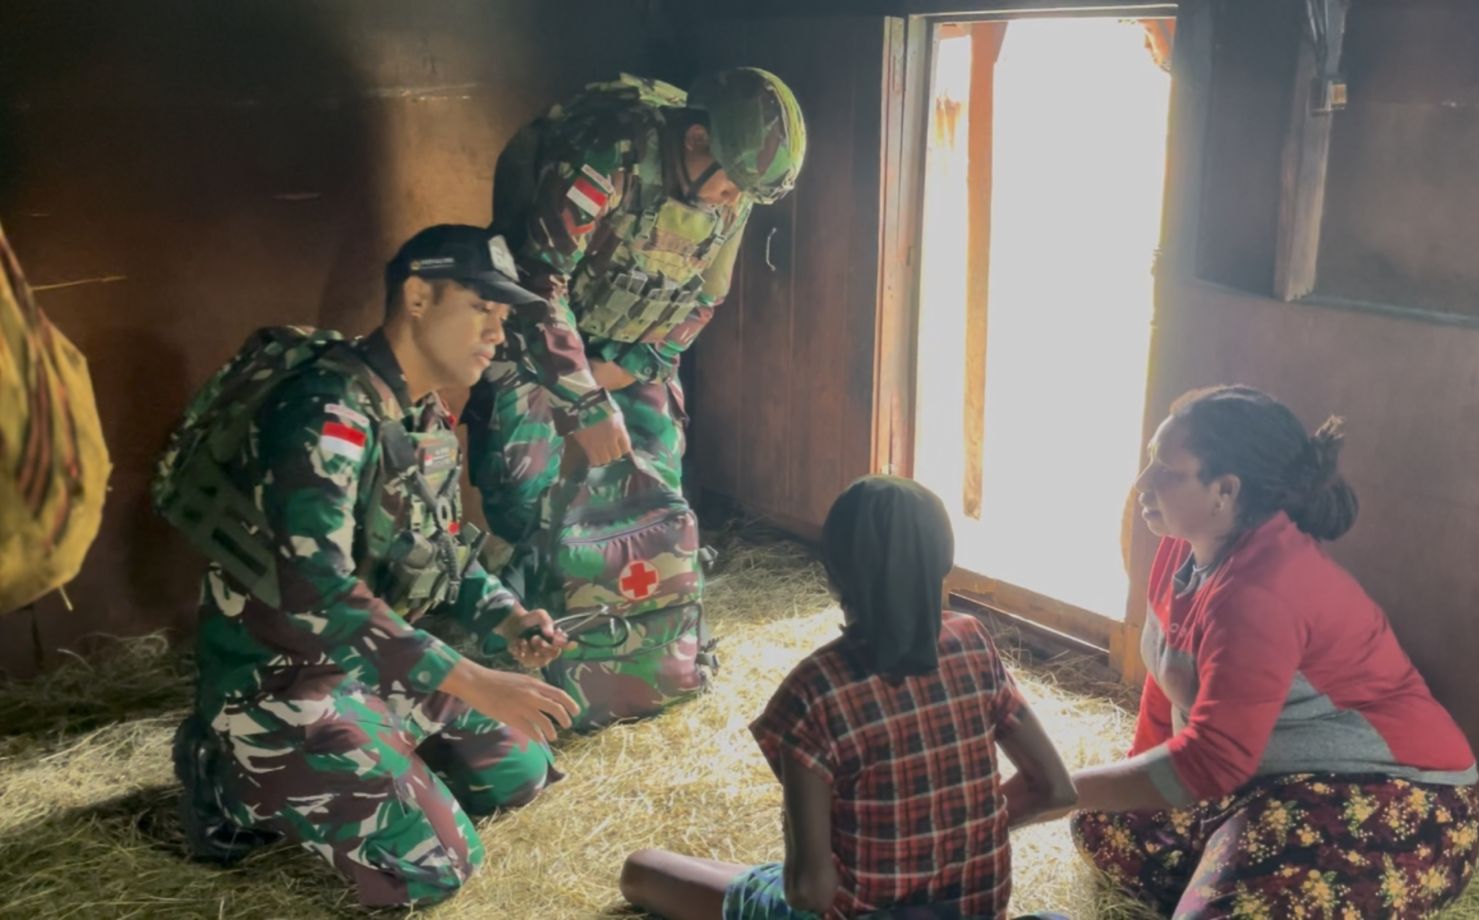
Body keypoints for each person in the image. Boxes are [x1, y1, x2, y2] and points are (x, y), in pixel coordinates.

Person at [168, 225, 580, 908]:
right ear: (417, 297)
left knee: (520, 771)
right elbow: (318, 591)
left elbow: (441, 550)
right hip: (282, 680)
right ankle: (227, 779)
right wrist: (471, 678)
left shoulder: (419, 413)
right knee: (435, 865)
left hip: (366, 668)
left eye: (504, 318)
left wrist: (507, 618)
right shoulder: (323, 411)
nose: (497, 333)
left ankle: (373, 758)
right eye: (481, 308)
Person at [1069, 385, 1479, 919]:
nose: (1143, 482)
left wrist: (1057, 788)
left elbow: (1214, 759)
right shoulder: (1179, 542)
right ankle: (1251, 878)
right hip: (1257, 785)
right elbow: (1165, 673)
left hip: (1388, 795)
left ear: (1225, 491)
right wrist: (1132, 770)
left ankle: (1261, 883)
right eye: (1150, 459)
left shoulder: (1261, 591)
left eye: (1166, 471)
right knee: (1102, 823)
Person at [617, 476, 1078, 919]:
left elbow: (810, 892)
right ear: (944, 561)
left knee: (642, 870)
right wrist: (955, 841)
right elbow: (1056, 790)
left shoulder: (815, 691)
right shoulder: (973, 642)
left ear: (832, 575)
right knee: (751, 878)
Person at [465, 68, 806, 591]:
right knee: (521, 492)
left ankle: (643, 614)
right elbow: (538, 285)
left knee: (657, 486)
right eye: (732, 184)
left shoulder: (733, 194)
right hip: (538, 331)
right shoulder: (606, 157)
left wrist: (626, 370)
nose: (733, 200)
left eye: (745, 193)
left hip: (632, 345)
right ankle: (536, 607)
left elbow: (705, 299)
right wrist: (585, 401)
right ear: (696, 138)